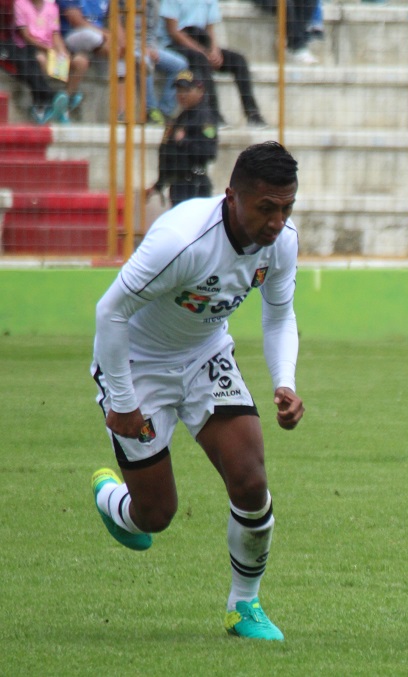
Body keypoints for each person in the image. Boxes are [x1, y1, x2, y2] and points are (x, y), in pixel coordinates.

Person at [90, 141, 303, 641]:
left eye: (287, 208)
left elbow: (279, 315)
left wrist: (285, 382)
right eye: (266, 208)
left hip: (206, 355)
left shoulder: (281, 241)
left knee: (250, 481)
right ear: (232, 196)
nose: (277, 222)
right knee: (155, 515)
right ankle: (113, 500)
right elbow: (110, 312)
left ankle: (243, 606)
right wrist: (122, 401)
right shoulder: (182, 241)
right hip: (139, 364)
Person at [160, 0, 267, 127]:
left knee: (239, 61)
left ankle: (252, 114)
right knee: (201, 60)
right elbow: (173, 31)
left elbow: (210, 29)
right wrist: (201, 51)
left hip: (201, 41)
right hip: (176, 45)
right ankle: (213, 114)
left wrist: (214, 51)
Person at [146, 69, 217, 206]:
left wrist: (185, 142)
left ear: (200, 91)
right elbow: (167, 152)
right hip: (178, 185)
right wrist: (160, 184)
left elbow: (209, 152)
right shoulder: (181, 117)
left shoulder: (204, 118)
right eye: (179, 91)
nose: (182, 95)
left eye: (187, 90)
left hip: (194, 186)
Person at [13, 0, 86, 122]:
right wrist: (47, 49)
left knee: (81, 62)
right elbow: (26, 36)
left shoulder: (52, 7)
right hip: (32, 49)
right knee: (41, 60)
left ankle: (64, 102)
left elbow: (55, 34)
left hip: (51, 49)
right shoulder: (20, 4)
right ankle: (44, 103)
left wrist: (62, 51)